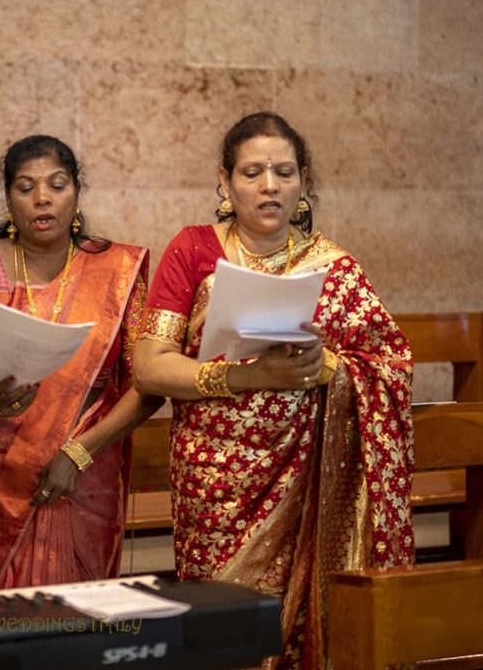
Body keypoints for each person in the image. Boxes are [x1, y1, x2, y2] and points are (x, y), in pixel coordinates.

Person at [133, 112, 414, 668]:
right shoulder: (192, 251)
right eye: (252, 172)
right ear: (224, 181)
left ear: (303, 180)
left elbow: (389, 366)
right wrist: (246, 377)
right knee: (225, 633)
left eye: (284, 172)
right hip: (216, 481)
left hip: (306, 481)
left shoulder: (336, 269)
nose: (269, 186)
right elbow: (149, 367)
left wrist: (328, 367)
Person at [0, 135, 162, 591]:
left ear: (76, 193)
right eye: (26, 187)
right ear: (9, 199)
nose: (42, 198)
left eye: (57, 184)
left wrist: (79, 450)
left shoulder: (117, 271)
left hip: (85, 478)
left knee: (80, 623)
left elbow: (147, 384)